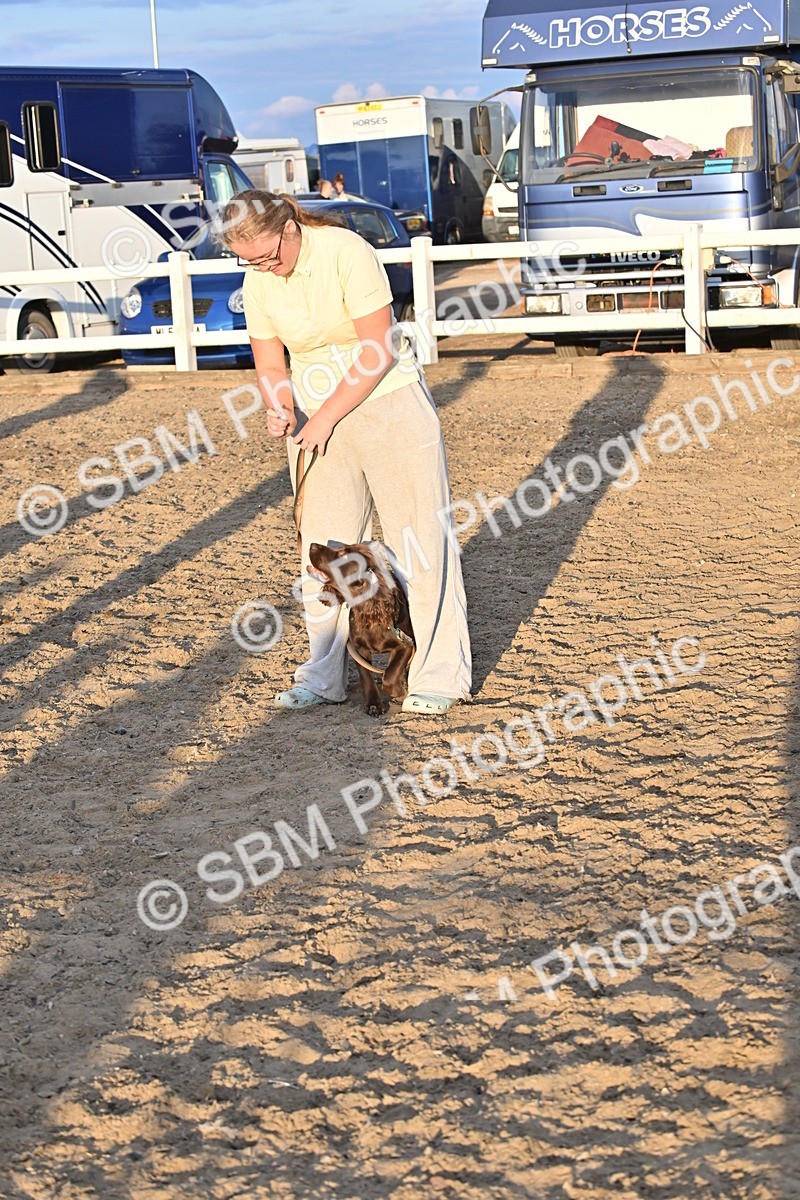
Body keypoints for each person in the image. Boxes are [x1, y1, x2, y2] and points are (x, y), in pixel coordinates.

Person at [214, 190, 471, 715]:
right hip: (314, 419)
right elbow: (270, 361)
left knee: (420, 542)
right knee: (321, 555)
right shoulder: (260, 278)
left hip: (387, 404)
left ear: (289, 229)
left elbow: (378, 348)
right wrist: (279, 406)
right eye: (249, 262)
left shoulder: (347, 250)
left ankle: (439, 676)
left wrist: (326, 416)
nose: (263, 268)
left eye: (268, 256)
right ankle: (324, 674)